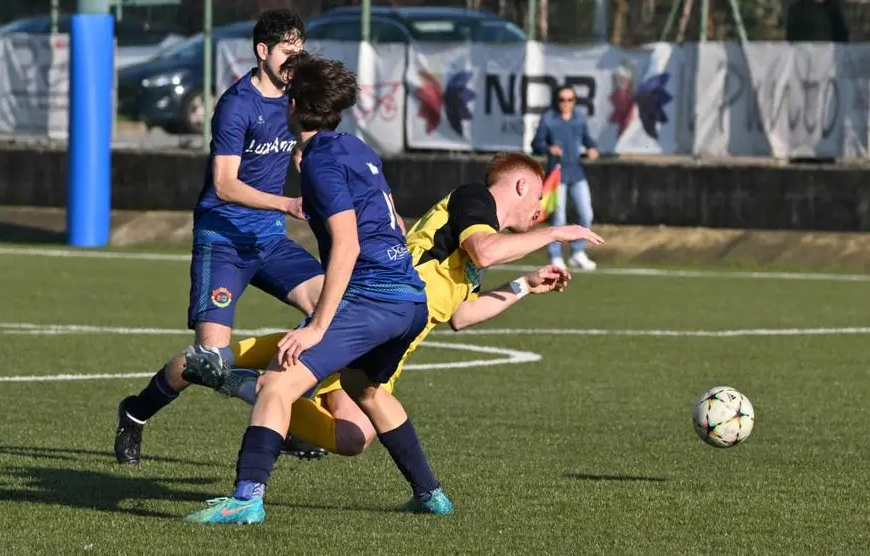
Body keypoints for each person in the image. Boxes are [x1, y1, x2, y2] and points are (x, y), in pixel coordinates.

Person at [184, 153, 603, 457]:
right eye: (540, 201)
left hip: (390, 337)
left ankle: (235, 380)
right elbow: (486, 251)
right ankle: (223, 366)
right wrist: (554, 234)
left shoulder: (484, 235)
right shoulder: (474, 201)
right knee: (292, 378)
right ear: (522, 185)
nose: (539, 211)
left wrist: (526, 285)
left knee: (351, 438)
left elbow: (462, 315)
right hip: (374, 315)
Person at [184, 52, 451, 524]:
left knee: (274, 386)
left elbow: (346, 244)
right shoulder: (356, 148)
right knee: (364, 388)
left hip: (372, 298)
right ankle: (431, 494)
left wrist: (317, 327)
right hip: (410, 299)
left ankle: (246, 499)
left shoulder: (319, 161)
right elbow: (392, 221)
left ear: (291, 103)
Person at [113, 9, 325, 466]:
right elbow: (225, 184)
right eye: (288, 52)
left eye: (300, 52)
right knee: (208, 361)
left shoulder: (295, 98)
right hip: (224, 239)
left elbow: (305, 147)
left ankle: (283, 412)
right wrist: (287, 204)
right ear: (262, 51)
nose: (295, 61)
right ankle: (135, 411)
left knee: (333, 311)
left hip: (269, 240)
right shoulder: (236, 105)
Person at [531, 84, 599, 272]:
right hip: (556, 174)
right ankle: (555, 256)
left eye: (570, 100)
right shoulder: (549, 119)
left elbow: (587, 138)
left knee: (586, 213)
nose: (566, 103)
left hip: (576, 172)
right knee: (558, 217)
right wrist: (548, 149)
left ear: (575, 102)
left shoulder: (579, 118)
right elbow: (536, 143)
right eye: (562, 99)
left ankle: (578, 252)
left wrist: (592, 147)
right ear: (557, 101)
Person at [785, 0, 849, 43]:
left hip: (828, 49)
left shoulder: (831, 8)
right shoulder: (796, 10)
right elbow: (791, 36)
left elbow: (841, 32)